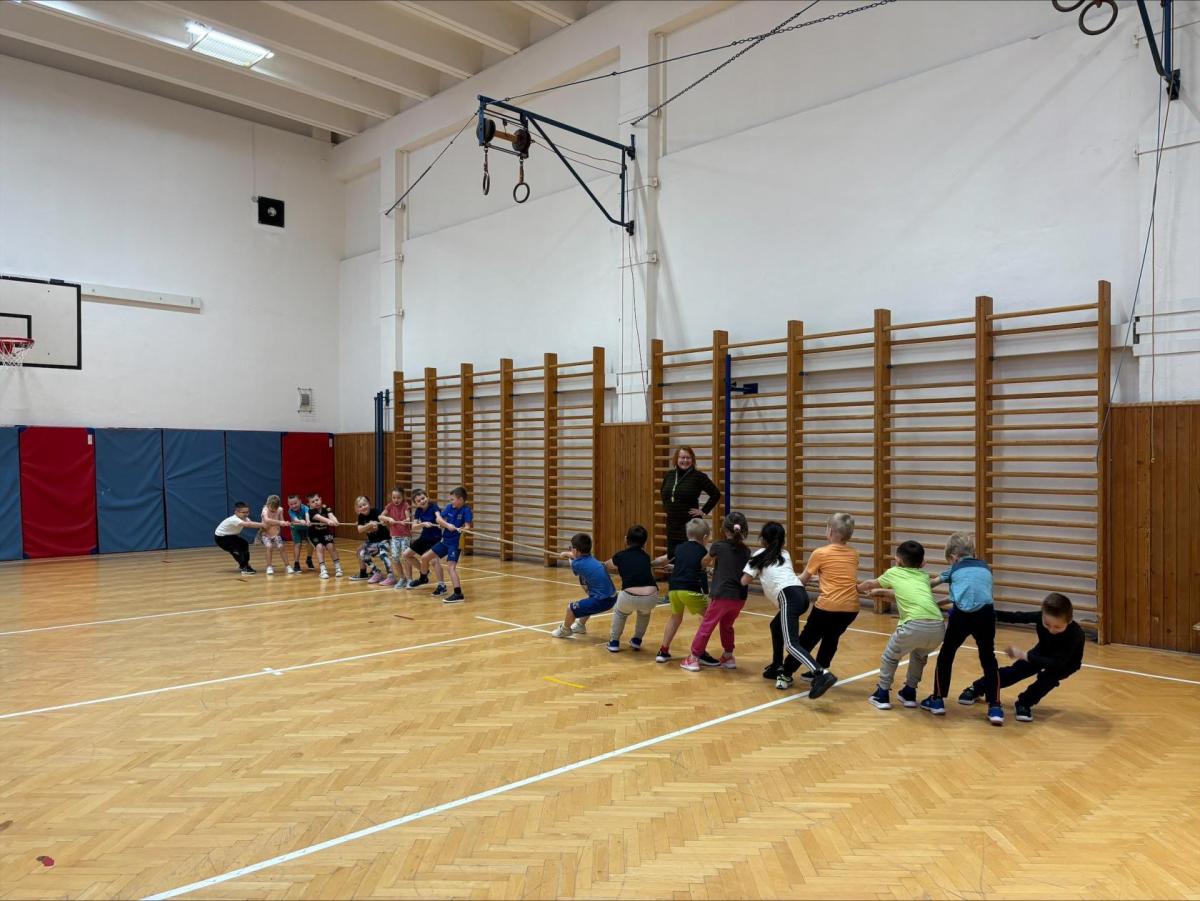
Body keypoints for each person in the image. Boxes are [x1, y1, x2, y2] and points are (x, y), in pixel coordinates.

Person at [742, 521, 837, 699]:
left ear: (763, 539)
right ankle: (777, 665)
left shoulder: (759, 555)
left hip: (788, 597)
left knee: (792, 644)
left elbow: (744, 581)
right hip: (800, 595)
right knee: (775, 626)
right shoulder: (785, 553)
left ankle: (821, 674)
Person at [960, 593, 1084, 722]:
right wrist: (986, 614)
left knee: (1047, 680)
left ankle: (1024, 703)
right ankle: (977, 687)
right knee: (1016, 671)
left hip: (1066, 663)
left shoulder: (1075, 635)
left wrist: (1025, 656)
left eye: (1057, 627)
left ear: (1069, 621)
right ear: (1042, 615)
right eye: (1047, 624)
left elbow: (1056, 663)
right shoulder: (1040, 616)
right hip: (1044, 650)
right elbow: (1016, 616)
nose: (1051, 630)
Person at [859, 540, 949, 715]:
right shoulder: (923, 576)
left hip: (914, 624)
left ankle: (882, 694)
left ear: (897, 560)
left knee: (890, 656)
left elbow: (870, 583)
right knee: (919, 656)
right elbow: (905, 594)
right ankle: (909, 692)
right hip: (938, 626)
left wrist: (855, 589)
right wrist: (882, 592)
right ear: (922, 563)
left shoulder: (894, 572)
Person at [922, 532, 1000, 720]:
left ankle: (937, 699)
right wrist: (940, 603)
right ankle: (995, 707)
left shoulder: (954, 569)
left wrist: (911, 582)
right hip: (986, 615)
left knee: (946, 655)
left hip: (962, 617)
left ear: (954, 557)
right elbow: (966, 592)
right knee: (988, 658)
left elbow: (930, 584)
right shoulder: (985, 568)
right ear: (972, 552)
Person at [777, 513, 860, 683]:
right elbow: (837, 576)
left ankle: (786, 672)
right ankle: (820, 672)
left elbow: (802, 580)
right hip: (851, 609)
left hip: (827, 607)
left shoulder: (820, 553)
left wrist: (785, 580)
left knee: (806, 640)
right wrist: (820, 578)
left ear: (830, 531)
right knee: (831, 638)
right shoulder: (854, 554)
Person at [681, 512, 751, 672]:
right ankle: (728, 656)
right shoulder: (746, 550)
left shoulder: (718, 546)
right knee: (727, 625)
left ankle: (693, 658)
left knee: (707, 625)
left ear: (724, 529)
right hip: (739, 597)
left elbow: (704, 562)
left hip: (722, 594)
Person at [652, 517, 718, 666]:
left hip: (673, 590)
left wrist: (648, 564)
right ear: (705, 538)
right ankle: (699, 652)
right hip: (690, 590)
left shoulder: (679, 548)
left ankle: (663, 651)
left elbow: (664, 561)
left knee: (675, 618)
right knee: (710, 618)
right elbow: (700, 566)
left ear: (688, 534)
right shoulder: (703, 551)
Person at [605, 524, 660, 652]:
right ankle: (637, 640)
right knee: (644, 614)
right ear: (645, 543)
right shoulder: (646, 557)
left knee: (620, 613)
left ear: (626, 539)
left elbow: (607, 565)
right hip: (651, 597)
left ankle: (614, 642)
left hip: (629, 596)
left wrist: (620, 565)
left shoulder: (620, 556)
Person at [552, 533, 617, 639]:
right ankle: (580, 625)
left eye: (571, 548)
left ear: (575, 550)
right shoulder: (591, 558)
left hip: (603, 600)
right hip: (612, 597)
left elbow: (573, 563)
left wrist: (565, 554)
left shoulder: (577, 564)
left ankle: (565, 630)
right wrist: (567, 554)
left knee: (571, 608)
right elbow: (575, 557)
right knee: (589, 601)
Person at [660, 446, 721, 559]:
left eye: (688, 458)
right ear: (676, 459)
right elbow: (663, 492)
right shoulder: (669, 475)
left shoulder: (698, 477)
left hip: (690, 526)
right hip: (672, 525)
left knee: (690, 559)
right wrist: (668, 508)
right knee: (672, 558)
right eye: (682, 457)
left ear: (692, 459)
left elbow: (716, 494)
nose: (685, 460)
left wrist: (703, 511)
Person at [431, 487, 472, 604]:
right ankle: (439, 585)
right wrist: (446, 525)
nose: (451, 501)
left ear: (461, 499)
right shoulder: (449, 507)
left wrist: (462, 529)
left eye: (453, 499)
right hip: (445, 540)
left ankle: (458, 594)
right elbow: (439, 520)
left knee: (451, 567)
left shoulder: (466, 510)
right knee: (431, 558)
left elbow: (468, 527)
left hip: (455, 543)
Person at [213, 502, 267, 575]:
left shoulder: (245, 518)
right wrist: (264, 525)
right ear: (236, 512)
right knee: (237, 550)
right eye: (243, 512)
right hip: (221, 538)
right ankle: (244, 567)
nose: (246, 514)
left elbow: (251, 523)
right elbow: (248, 525)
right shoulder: (234, 519)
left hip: (231, 536)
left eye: (247, 512)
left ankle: (246, 564)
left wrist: (263, 528)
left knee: (244, 544)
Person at [404, 489, 441, 590]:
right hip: (424, 538)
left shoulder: (434, 507)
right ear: (416, 504)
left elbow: (438, 517)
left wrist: (440, 522)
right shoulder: (418, 511)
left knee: (434, 561)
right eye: (418, 501)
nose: (422, 501)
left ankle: (441, 585)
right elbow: (414, 527)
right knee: (406, 555)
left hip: (435, 539)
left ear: (427, 497)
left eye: (423, 498)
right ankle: (424, 573)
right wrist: (423, 524)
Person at [352, 496, 393, 585]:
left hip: (385, 540)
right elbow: (359, 530)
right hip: (373, 543)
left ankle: (391, 576)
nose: (363, 507)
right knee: (362, 554)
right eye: (360, 506)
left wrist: (387, 520)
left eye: (365, 504)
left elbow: (381, 518)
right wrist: (369, 525)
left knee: (383, 554)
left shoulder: (375, 511)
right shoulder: (361, 516)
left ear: (369, 504)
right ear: (358, 509)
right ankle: (377, 573)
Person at [379, 486, 412, 589]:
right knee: (395, 557)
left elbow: (408, 518)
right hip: (394, 536)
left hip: (405, 536)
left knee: (406, 557)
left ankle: (410, 579)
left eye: (398, 498)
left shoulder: (405, 505)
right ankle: (402, 578)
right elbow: (380, 516)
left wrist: (406, 521)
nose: (396, 500)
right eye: (394, 498)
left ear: (403, 497)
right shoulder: (390, 506)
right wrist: (388, 518)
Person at [307, 493, 344, 580]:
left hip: (325, 532)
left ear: (320, 499)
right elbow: (319, 517)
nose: (316, 502)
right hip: (314, 534)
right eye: (313, 502)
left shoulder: (326, 507)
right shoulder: (311, 511)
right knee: (319, 547)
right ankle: (323, 570)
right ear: (309, 504)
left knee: (331, 546)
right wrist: (328, 521)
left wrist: (335, 521)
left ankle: (338, 567)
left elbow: (331, 515)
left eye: (317, 500)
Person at [258, 495, 290, 576]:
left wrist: (285, 523)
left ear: (278, 506)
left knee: (281, 547)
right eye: (271, 508)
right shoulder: (265, 510)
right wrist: (279, 522)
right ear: (267, 504)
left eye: (274, 509)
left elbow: (281, 521)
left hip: (276, 533)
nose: (272, 510)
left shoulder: (280, 510)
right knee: (269, 547)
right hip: (265, 534)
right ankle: (269, 567)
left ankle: (288, 566)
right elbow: (267, 520)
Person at [285, 494, 311, 575]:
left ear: (300, 501)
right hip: (296, 529)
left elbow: (307, 514)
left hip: (306, 529)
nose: (293, 506)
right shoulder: (290, 511)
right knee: (297, 545)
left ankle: (309, 559)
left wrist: (307, 521)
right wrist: (300, 521)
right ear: (288, 504)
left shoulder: (305, 508)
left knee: (310, 543)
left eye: (295, 503)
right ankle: (296, 563)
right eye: (291, 504)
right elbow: (295, 519)